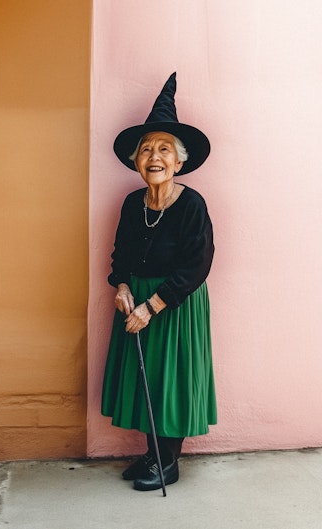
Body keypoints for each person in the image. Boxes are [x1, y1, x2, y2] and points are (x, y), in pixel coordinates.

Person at [101, 73, 216, 491]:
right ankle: (151, 455)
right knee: (144, 378)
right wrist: (124, 288)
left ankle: (167, 463)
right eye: (146, 149)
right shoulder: (134, 203)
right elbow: (122, 255)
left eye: (164, 149)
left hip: (175, 304)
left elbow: (197, 264)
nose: (154, 156)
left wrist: (153, 305)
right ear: (135, 161)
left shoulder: (191, 204)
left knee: (170, 382)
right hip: (138, 300)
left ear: (179, 161)